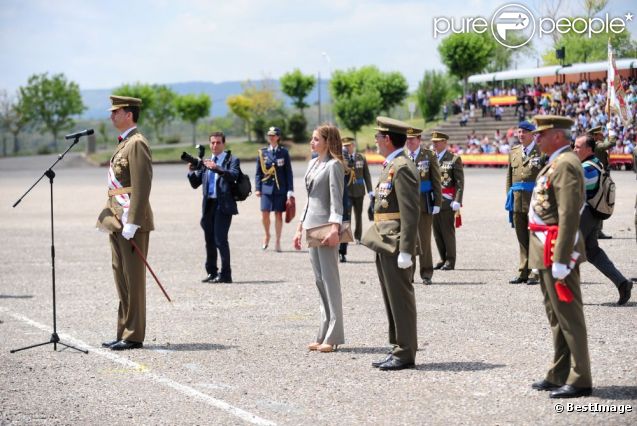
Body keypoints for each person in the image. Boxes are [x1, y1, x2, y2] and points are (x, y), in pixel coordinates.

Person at [528, 115, 592, 399]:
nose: (537, 138)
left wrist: (562, 258)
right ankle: (559, 373)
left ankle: (580, 378)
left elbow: (568, 214)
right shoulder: (556, 161)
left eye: (541, 134)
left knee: (569, 317)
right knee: (556, 317)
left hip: (556, 249)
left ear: (556, 135)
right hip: (545, 248)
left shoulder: (566, 163)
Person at [362, 116, 419, 371]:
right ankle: (397, 347)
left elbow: (410, 212)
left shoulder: (403, 166)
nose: (375, 140)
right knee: (390, 299)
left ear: (387, 139)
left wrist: (406, 249)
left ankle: (405, 352)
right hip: (384, 240)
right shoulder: (392, 164)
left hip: (396, 242)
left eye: (377, 137)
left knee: (400, 300)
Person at [97, 95, 153, 351]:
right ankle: (123, 331)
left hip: (131, 220)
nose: (111, 116)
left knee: (134, 279)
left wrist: (133, 221)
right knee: (121, 277)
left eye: (115, 112)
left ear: (128, 114)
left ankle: (134, 335)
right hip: (117, 219)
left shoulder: (137, 143)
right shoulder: (123, 144)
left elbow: (142, 185)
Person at [293, 124, 345, 353]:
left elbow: (337, 199)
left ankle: (334, 335)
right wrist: (299, 227)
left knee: (331, 280)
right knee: (319, 281)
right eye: (312, 139)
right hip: (311, 226)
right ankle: (323, 331)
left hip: (326, 227)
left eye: (316, 139)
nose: (311, 142)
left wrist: (336, 227)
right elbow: (309, 199)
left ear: (327, 141)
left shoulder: (334, 166)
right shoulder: (313, 163)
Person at [572, 135, 632, 305]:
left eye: (577, 147)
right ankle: (622, 283)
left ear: (589, 149)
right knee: (593, 252)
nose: (574, 149)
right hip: (593, 214)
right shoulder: (595, 163)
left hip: (585, 214)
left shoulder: (587, 168)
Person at [188, 132, 240, 284]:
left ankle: (226, 274)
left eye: (218, 142)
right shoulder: (206, 162)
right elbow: (195, 184)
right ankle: (212, 272)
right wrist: (191, 171)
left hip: (223, 205)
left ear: (224, 144)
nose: (215, 145)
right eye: (212, 143)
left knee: (220, 240)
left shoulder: (231, 160)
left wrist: (217, 168)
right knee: (209, 240)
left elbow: (234, 175)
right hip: (209, 204)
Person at [505, 121, 544, 285]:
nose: (521, 135)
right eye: (519, 132)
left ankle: (536, 272)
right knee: (521, 238)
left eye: (524, 132)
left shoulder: (541, 151)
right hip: (517, 200)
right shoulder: (514, 151)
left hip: (535, 200)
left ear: (532, 134)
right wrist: (509, 196)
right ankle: (523, 271)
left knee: (535, 236)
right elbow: (509, 177)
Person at [404, 128, 442, 285]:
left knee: (425, 240)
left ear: (419, 140)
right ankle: (409, 274)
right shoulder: (402, 156)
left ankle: (426, 273)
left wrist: (437, 202)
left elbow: (436, 181)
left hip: (424, 202)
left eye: (413, 139)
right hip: (406, 204)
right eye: (408, 139)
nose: (410, 142)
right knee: (408, 240)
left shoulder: (429, 155)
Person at [255, 127, 294, 252]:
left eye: (274, 135)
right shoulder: (262, 153)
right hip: (266, 188)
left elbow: (288, 172)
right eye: (269, 135)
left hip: (280, 189)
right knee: (264, 214)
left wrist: (290, 190)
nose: (271, 137)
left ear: (278, 137)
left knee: (278, 215)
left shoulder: (284, 152)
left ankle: (277, 240)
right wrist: (257, 188)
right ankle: (267, 234)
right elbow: (258, 173)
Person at [431, 131, 464, 270]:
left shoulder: (454, 159)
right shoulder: (431, 158)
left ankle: (450, 260)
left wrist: (457, 199)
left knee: (447, 232)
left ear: (445, 142)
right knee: (437, 231)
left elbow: (459, 182)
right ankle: (442, 257)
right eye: (433, 141)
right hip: (433, 200)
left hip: (447, 200)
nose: (434, 143)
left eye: (437, 141)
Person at [342, 137, 373, 244]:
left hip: (359, 191)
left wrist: (370, 191)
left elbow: (367, 175)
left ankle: (358, 237)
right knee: (347, 215)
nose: (346, 148)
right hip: (348, 191)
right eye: (344, 146)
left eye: (348, 146)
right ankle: (347, 236)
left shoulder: (361, 157)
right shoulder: (342, 159)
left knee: (358, 215)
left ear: (353, 145)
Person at [587, 126, 615, 239]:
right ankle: (596, 231)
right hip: (600, 177)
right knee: (600, 203)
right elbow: (611, 143)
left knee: (600, 203)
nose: (602, 135)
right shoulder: (597, 145)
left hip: (600, 176)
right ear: (595, 136)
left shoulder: (595, 145)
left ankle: (597, 231)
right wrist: (611, 131)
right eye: (600, 134)